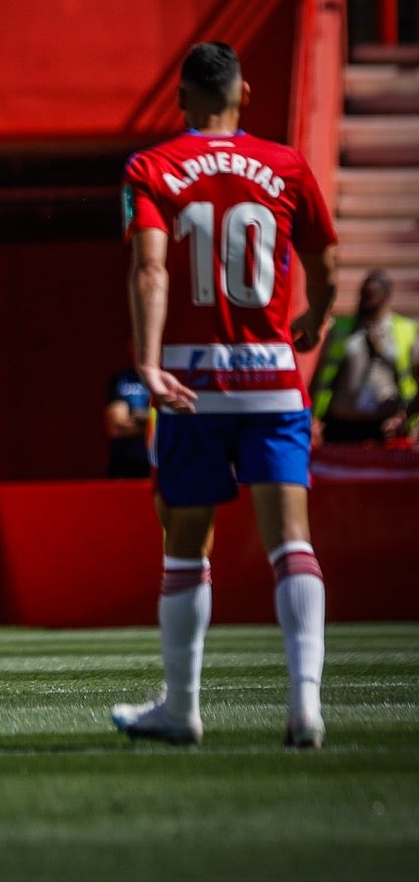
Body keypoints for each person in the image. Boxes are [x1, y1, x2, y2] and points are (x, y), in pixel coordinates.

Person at [115, 41, 337, 748]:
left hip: (190, 380)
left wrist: (148, 364)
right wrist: (315, 315)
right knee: (291, 543)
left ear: (181, 99)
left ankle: (182, 707)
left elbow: (152, 270)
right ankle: (305, 703)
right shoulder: (287, 165)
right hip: (272, 376)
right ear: (243, 95)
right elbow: (326, 262)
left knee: (185, 545)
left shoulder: (152, 167)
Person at [310, 270, 417, 445]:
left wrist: (409, 417)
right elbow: (321, 374)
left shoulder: (405, 330)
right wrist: (313, 414)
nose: (366, 299)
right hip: (341, 424)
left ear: (386, 295)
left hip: (386, 426)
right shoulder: (342, 329)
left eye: (372, 294)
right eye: (364, 293)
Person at [104, 363, 154, 477]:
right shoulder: (121, 380)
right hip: (126, 467)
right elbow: (117, 426)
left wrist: (135, 416)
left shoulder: (170, 379)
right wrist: (155, 421)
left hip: (163, 467)